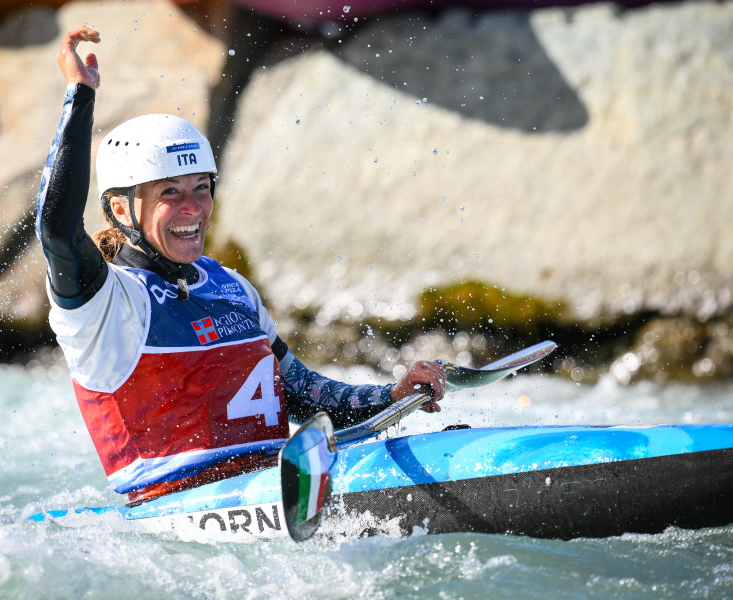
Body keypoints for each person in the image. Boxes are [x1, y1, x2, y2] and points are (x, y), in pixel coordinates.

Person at [37, 25, 446, 504]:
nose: (194, 208)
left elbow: (301, 392)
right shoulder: (103, 303)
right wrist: (80, 95)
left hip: (280, 489)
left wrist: (393, 396)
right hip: (179, 516)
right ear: (122, 209)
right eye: (170, 193)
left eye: (202, 187)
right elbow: (57, 231)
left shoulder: (229, 285)